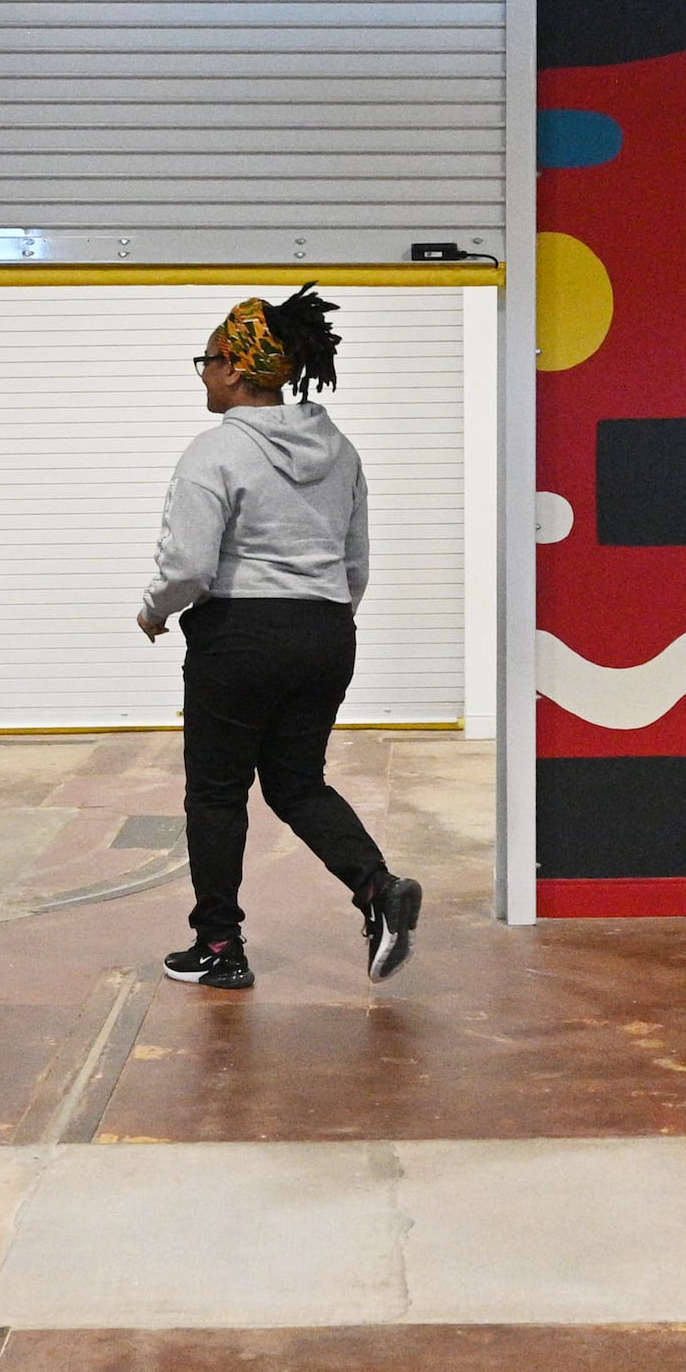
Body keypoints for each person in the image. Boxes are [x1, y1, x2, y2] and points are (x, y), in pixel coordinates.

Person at [135, 287, 422, 991]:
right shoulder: (341, 449)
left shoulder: (215, 451)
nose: (202, 373)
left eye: (206, 360)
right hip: (325, 631)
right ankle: (377, 889)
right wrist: (324, 619)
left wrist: (155, 609)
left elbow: (190, 564)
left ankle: (219, 946)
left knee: (216, 792)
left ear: (235, 368)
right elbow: (355, 561)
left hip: (240, 636)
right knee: (296, 781)